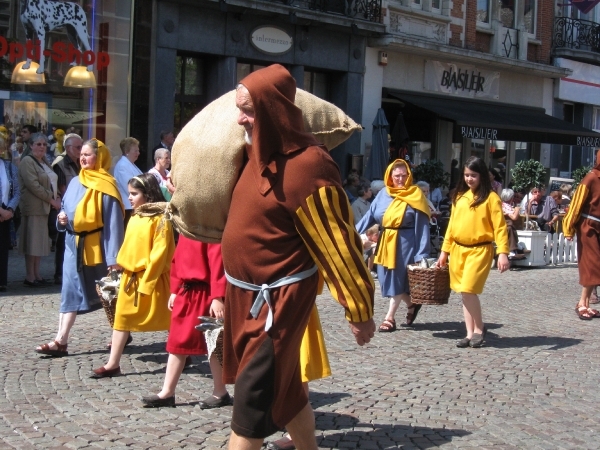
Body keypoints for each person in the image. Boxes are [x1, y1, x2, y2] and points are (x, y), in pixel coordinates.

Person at [221, 64, 375, 449]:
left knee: (250, 406)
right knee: (288, 393)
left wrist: (359, 309)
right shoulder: (248, 155)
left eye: (249, 109)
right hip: (242, 298)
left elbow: (338, 245)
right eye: (239, 107)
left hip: (277, 304)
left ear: (273, 109)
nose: (240, 117)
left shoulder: (309, 165)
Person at [34, 139, 124, 357]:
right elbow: (64, 208)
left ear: (99, 157)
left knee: (110, 295)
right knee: (69, 291)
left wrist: (114, 258)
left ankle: (121, 332)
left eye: (88, 155)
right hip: (73, 247)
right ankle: (61, 340)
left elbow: (114, 224)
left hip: (99, 249)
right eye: (81, 154)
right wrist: (61, 219)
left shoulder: (107, 185)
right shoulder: (75, 181)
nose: (83, 158)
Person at [91, 173, 174, 378]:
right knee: (122, 319)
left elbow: (160, 254)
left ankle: (180, 352)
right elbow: (130, 245)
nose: (129, 198)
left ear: (148, 194)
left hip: (154, 280)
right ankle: (113, 363)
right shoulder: (136, 215)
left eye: (134, 194)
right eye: (129, 193)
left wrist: (148, 283)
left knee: (171, 320)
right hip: (131, 279)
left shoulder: (162, 219)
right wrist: (120, 264)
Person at [141, 235, 229, 408]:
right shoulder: (186, 230)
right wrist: (175, 289)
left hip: (205, 294)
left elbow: (218, 263)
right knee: (176, 343)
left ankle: (220, 392)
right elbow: (176, 260)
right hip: (186, 293)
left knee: (212, 343)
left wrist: (217, 296)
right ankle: (167, 392)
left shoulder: (210, 232)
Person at [436, 156, 510, 348]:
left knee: (469, 289)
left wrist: (502, 252)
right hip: (458, 250)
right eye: (467, 175)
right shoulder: (459, 197)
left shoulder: (491, 198)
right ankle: (469, 333)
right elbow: (451, 226)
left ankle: (479, 328)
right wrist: (444, 251)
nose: (469, 179)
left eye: (473, 175)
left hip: (480, 250)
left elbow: (500, 227)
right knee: (463, 292)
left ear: (482, 176)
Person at [357, 159, 431, 332]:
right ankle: (411, 303)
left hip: (406, 241)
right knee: (384, 279)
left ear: (409, 176)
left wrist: (422, 254)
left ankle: (389, 318)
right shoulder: (383, 194)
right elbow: (370, 216)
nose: (400, 179)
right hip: (385, 240)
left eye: (404, 176)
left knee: (396, 278)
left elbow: (422, 226)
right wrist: (353, 232)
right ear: (390, 176)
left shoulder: (415, 194)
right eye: (397, 175)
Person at [18, 133, 61, 287]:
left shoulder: (44, 161)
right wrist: (52, 199)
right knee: (32, 243)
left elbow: (52, 181)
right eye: (38, 144)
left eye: (44, 144)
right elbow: (33, 185)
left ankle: (37, 274)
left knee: (40, 243)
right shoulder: (27, 161)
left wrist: (58, 198)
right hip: (34, 207)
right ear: (30, 145)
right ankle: (30, 276)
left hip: (46, 207)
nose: (42, 147)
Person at [563, 150, 600, 321]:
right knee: (592, 264)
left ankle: (586, 302)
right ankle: (582, 303)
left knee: (596, 265)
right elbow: (576, 204)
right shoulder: (591, 178)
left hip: (598, 226)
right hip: (588, 226)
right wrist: (568, 227)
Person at [52, 133, 83, 285]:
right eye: (78, 147)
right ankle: (59, 273)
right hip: (65, 208)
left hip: (78, 209)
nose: (80, 150)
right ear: (68, 148)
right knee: (62, 241)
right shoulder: (61, 163)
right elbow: (62, 188)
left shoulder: (78, 162)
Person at [0, 136, 20, 291]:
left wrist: (10, 210)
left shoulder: (9, 166)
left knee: (3, 249)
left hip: (6, 214)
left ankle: (2, 281)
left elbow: (17, 191)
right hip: (2, 211)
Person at [114, 137, 143, 227]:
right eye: (135, 151)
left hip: (134, 206)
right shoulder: (122, 166)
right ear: (127, 151)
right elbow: (131, 186)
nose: (138, 153)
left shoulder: (131, 164)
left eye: (138, 150)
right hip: (128, 208)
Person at [500, 188, 523, 258]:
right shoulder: (504, 206)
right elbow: (514, 217)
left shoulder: (506, 205)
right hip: (502, 226)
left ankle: (516, 246)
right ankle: (512, 251)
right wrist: (517, 209)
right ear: (511, 198)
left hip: (506, 225)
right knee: (510, 227)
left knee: (511, 227)